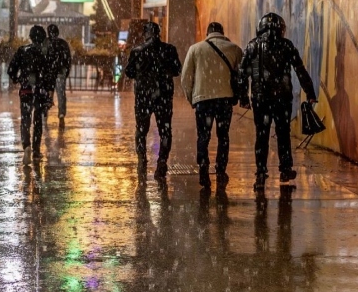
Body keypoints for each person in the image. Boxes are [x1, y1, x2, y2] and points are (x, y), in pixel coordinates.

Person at [239, 12, 317, 188]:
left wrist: (243, 97)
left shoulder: (252, 46)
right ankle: (285, 170)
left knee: (261, 135)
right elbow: (300, 70)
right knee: (283, 134)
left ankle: (260, 173)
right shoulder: (287, 46)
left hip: (260, 99)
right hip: (282, 98)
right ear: (281, 29)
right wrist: (310, 93)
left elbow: (242, 74)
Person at [181, 22, 245, 188]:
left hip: (203, 100)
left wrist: (192, 99)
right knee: (223, 136)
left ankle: (203, 169)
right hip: (225, 100)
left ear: (207, 33)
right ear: (222, 33)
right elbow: (242, 76)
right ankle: (221, 170)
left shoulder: (195, 49)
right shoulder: (235, 49)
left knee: (203, 136)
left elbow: (185, 78)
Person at [123, 21, 181, 180]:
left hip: (143, 97)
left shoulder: (137, 51)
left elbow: (129, 72)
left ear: (145, 34)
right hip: (164, 96)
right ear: (159, 33)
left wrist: (143, 77)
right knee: (165, 130)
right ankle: (162, 162)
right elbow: (177, 71)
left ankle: (142, 159)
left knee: (141, 130)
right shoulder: (169, 49)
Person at [7, 25, 56, 155]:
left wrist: (17, 79)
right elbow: (50, 76)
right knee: (38, 119)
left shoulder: (22, 50)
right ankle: (36, 149)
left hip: (25, 90)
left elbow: (11, 69)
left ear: (30, 37)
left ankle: (26, 145)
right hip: (40, 91)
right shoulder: (46, 53)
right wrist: (49, 92)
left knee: (25, 118)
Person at [47, 23, 72, 122]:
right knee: (61, 93)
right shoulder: (63, 43)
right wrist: (66, 71)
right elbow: (68, 59)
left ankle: (46, 109)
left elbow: (42, 58)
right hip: (60, 71)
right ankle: (61, 113)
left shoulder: (46, 43)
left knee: (48, 92)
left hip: (49, 72)